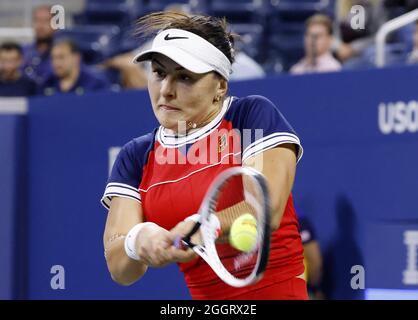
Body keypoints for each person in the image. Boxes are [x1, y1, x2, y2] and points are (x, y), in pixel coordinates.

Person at [101, 11, 307, 300]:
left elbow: (265, 208)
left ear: (220, 86)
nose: (166, 90)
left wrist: (202, 227)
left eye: (184, 77)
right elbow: (119, 266)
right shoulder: (136, 156)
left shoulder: (250, 116)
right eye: (159, 73)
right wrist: (139, 240)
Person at [39, 39, 110, 96]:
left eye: (61, 57)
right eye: (53, 58)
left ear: (76, 58)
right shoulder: (46, 84)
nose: (56, 63)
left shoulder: (96, 84)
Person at [22, 5, 55, 84]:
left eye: (46, 21)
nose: (40, 26)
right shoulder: (22, 52)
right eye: (37, 20)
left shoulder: (62, 54)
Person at [298, 212, 325, 300]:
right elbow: (315, 261)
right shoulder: (298, 219)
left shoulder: (299, 220)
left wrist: (314, 289)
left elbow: (314, 261)